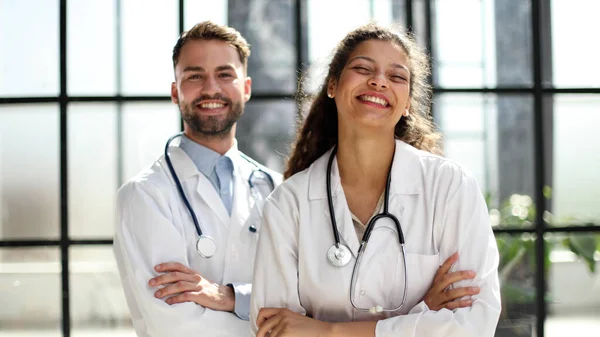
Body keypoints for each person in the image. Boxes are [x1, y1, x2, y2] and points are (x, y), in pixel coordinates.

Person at [250, 23, 501, 337]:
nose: (379, 81)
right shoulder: (289, 204)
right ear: (332, 85)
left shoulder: (449, 187)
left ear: (407, 102)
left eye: (396, 76)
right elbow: (276, 331)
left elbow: (474, 325)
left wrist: (328, 331)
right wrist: (422, 315)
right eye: (362, 68)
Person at [113, 21, 281, 337]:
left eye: (224, 74)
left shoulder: (277, 188)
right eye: (195, 76)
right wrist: (259, 311)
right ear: (176, 92)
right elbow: (177, 326)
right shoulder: (145, 195)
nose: (211, 88)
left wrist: (229, 297)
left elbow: (301, 303)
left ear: (246, 88)